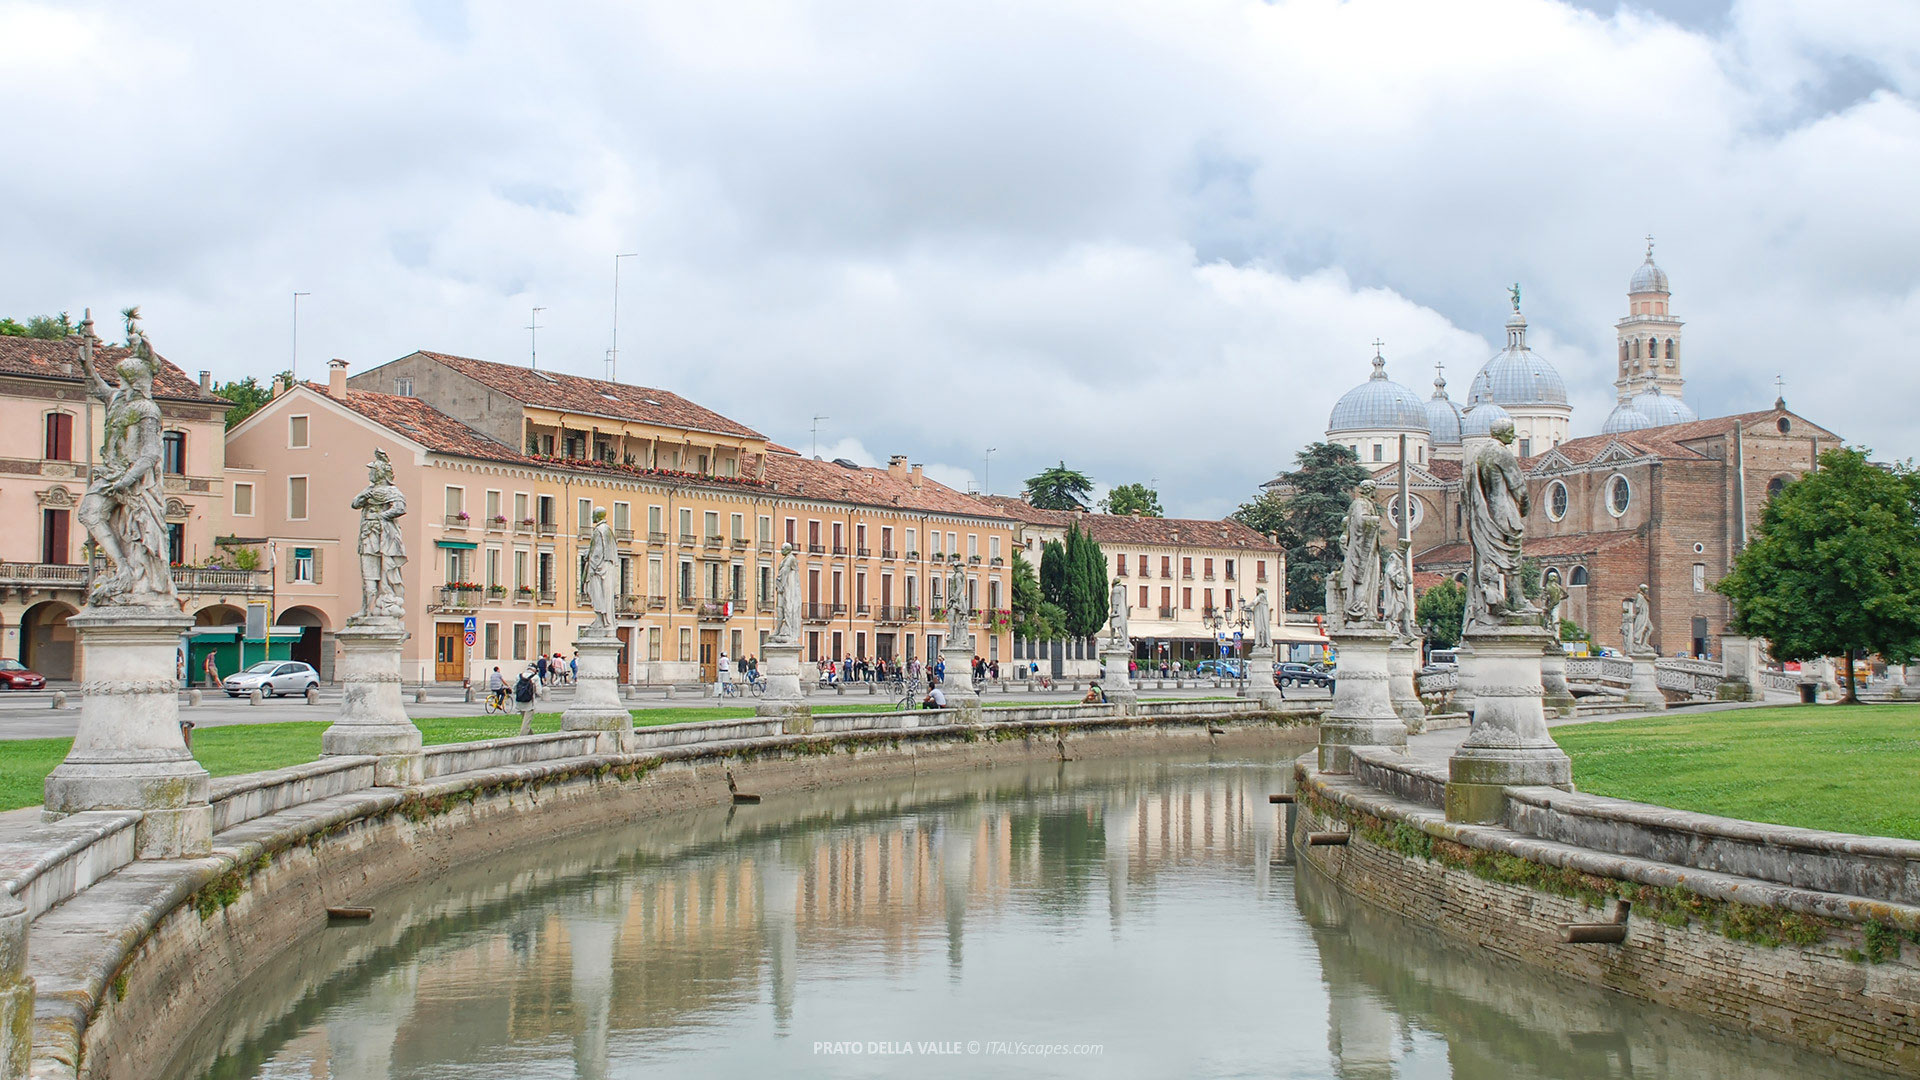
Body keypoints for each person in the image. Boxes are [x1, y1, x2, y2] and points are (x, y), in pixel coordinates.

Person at [513, 667, 539, 736]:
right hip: (530, 703)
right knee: (526, 723)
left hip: (520, 702)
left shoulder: (519, 676)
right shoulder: (535, 677)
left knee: (526, 722)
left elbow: (514, 689)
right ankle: (521, 739)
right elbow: (539, 692)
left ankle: (532, 737)